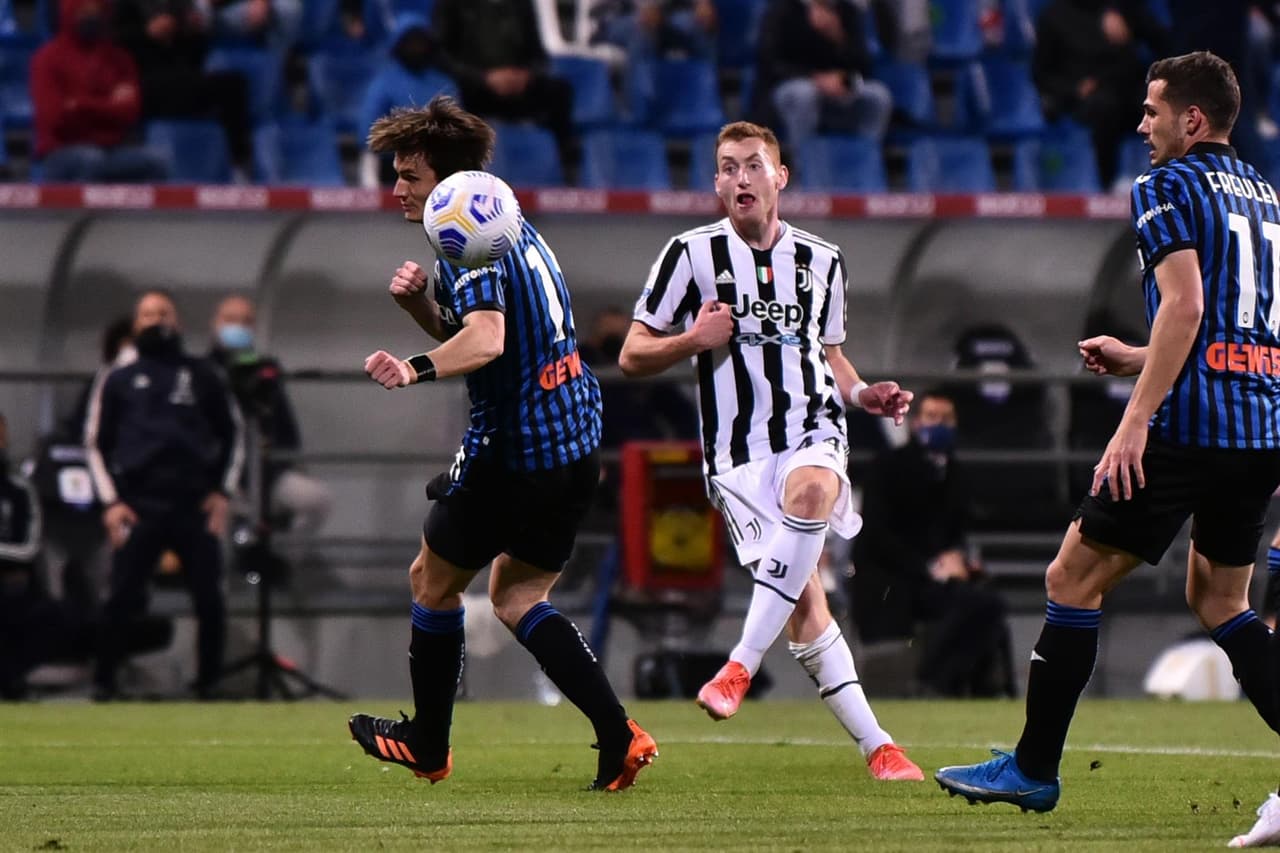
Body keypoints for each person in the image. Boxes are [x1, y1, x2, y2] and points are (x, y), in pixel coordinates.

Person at [933, 53, 1280, 831]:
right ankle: (1031, 764)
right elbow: (1237, 321)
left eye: (1153, 109)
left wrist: (1132, 418)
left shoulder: (1165, 186)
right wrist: (1136, 354)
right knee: (1222, 599)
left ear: (1192, 119)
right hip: (1260, 427)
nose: (1141, 124)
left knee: (1071, 576)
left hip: (1191, 430)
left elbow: (1186, 307)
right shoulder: (1266, 197)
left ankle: (1031, 769)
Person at [345, 97, 657, 792]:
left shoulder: (467, 236)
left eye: (409, 176)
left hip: (517, 454)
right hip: (575, 445)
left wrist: (411, 366)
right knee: (517, 595)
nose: (397, 189)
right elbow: (482, 331)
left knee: (430, 580)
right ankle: (618, 734)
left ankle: (428, 742)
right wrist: (421, 308)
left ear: (447, 181)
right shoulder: (501, 213)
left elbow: (486, 339)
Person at [617, 120, 923, 781]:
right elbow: (633, 353)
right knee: (806, 607)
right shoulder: (690, 255)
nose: (739, 178)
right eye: (726, 168)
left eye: (752, 165)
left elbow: (831, 352)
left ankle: (737, 666)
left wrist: (862, 394)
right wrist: (693, 340)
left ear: (780, 177)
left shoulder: (822, 259)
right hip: (738, 457)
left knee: (814, 489)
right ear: (716, 183)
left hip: (814, 429)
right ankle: (880, 747)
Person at [84, 289, 244, 700]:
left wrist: (221, 492)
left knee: (210, 599)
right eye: (147, 314)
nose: (156, 320)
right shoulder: (117, 378)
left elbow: (233, 434)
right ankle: (105, 682)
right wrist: (111, 501)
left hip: (193, 504)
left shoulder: (203, 373)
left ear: (178, 321)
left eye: (164, 313)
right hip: (139, 505)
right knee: (121, 597)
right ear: (135, 324)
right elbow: (95, 443)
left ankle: (208, 684)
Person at [850, 389, 1013, 697]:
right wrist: (932, 567)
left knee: (986, 603)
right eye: (931, 417)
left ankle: (977, 689)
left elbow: (955, 532)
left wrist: (961, 562)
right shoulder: (887, 467)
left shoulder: (956, 473)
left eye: (946, 419)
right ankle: (935, 681)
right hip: (891, 581)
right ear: (915, 423)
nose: (938, 425)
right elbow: (877, 536)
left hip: (931, 581)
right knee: (972, 605)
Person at [208, 294, 331, 537]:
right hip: (216, 479)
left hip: (269, 473)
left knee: (317, 500)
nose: (238, 327)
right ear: (215, 323)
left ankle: (283, 559)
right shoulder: (203, 372)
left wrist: (278, 466)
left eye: (246, 321)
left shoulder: (266, 370)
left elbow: (287, 430)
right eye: (230, 319)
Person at [1032, 0, 1168, 187]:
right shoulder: (1054, 16)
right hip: (1086, 99)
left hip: (1128, 87)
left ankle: (1166, 182)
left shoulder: (1123, 9)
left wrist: (1122, 15)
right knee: (1105, 108)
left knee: (1162, 107)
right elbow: (1041, 73)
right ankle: (1108, 183)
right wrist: (1074, 89)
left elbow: (1163, 44)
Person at [29, 0, 169, 182]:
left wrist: (79, 105)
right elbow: (54, 118)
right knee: (90, 159)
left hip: (111, 149)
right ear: (70, 13)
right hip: (61, 152)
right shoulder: (46, 58)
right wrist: (109, 107)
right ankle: (76, 212)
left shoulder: (119, 59)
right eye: (85, 12)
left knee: (158, 161)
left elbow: (130, 112)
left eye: (97, 11)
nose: (92, 17)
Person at [431, 0, 576, 168]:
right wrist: (483, 79)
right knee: (451, 102)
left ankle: (568, 168)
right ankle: (462, 169)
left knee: (559, 91)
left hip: (517, 84)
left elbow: (538, 55)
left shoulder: (521, 5)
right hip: (473, 86)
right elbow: (441, 56)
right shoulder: (451, 5)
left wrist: (526, 75)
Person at [752, 0, 893, 154]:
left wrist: (838, 37)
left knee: (878, 96)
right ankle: (804, 163)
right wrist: (816, 79)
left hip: (839, 85)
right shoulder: (782, 9)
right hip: (791, 84)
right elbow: (770, 62)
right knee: (804, 94)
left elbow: (864, 65)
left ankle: (863, 161)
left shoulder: (847, 10)